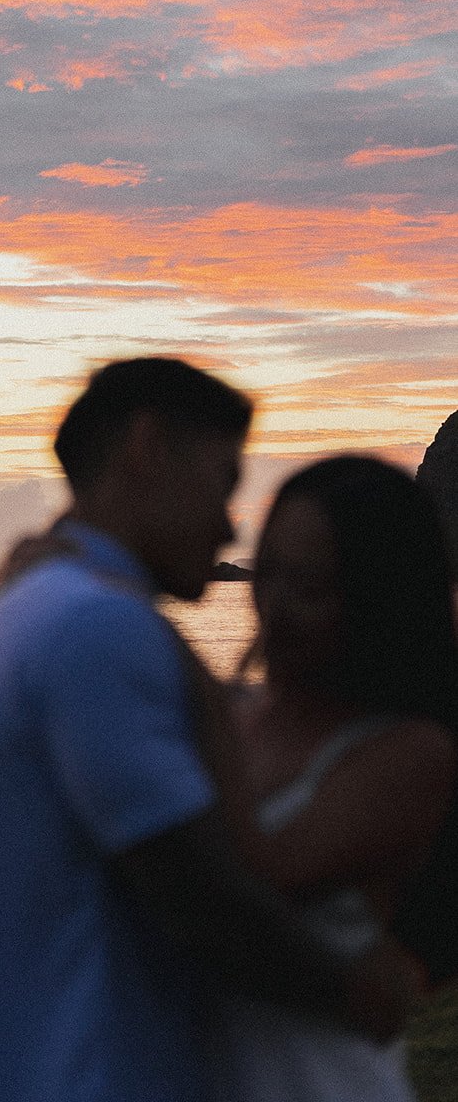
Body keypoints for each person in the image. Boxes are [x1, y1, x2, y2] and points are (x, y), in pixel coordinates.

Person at [0, 358, 419, 1102]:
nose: (228, 524)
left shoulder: (28, 609)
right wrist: (349, 990)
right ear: (149, 448)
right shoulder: (100, 628)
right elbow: (199, 892)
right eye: (223, 483)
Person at [204, 455, 458, 1101]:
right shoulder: (231, 713)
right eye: (271, 573)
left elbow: (238, 886)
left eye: (312, 588)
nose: (276, 608)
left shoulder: (406, 753)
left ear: (379, 601)